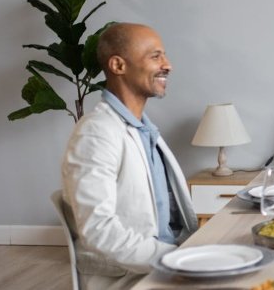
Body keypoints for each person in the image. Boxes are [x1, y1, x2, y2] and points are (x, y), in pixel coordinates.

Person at [61, 23, 198, 289]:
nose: (168, 65)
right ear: (118, 65)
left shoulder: (144, 130)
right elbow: (98, 229)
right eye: (155, 56)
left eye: (164, 55)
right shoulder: (96, 134)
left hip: (168, 262)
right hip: (135, 277)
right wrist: (178, 259)